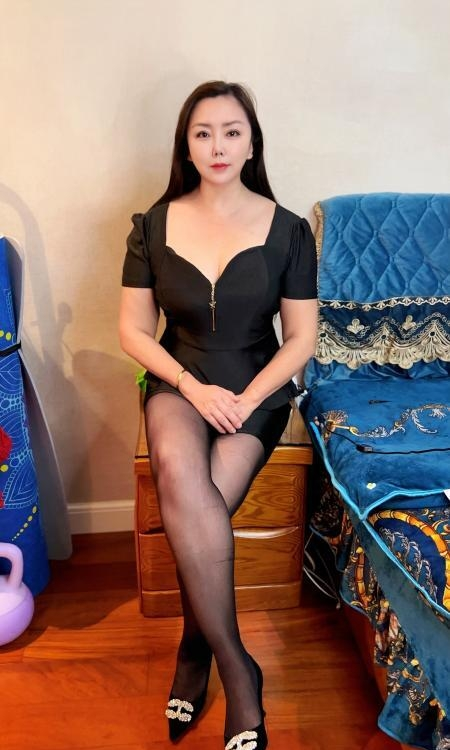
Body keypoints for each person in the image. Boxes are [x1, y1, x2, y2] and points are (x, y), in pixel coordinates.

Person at [119, 80, 318, 750]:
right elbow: (133, 331)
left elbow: (301, 339)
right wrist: (191, 388)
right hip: (178, 380)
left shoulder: (289, 230)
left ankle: (193, 648)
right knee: (182, 480)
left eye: (232, 131)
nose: (218, 146)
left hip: (254, 390)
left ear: (252, 142)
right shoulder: (152, 225)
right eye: (202, 133)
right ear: (186, 145)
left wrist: (248, 399)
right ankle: (239, 672)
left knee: (196, 514)